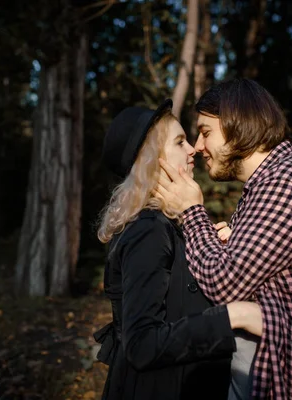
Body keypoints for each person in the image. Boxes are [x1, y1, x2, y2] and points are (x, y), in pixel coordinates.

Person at [155, 78, 292, 399]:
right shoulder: (273, 181)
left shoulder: (288, 183)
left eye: (206, 132)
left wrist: (190, 210)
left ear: (238, 123)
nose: (198, 147)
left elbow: (224, 284)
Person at [93, 99, 263, 400]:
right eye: (180, 141)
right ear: (151, 159)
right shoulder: (148, 230)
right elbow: (142, 345)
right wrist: (233, 316)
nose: (193, 149)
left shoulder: (167, 224)